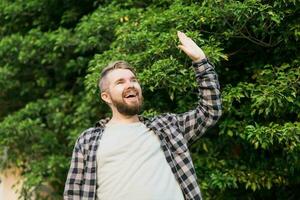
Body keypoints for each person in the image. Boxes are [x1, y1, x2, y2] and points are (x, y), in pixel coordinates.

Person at [64, 31, 222, 200]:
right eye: (120, 82)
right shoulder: (88, 140)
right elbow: (74, 194)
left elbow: (210, 111)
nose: (130, 85)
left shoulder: (167, 127)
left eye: (133, 80)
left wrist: (201, 62)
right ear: (106, 97)